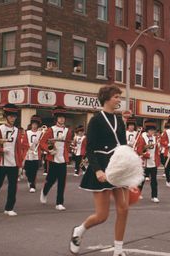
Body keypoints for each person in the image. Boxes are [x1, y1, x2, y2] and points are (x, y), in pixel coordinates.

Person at [70, 85, 128, 256]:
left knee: (124, 209)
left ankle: (118, 250)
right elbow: (90, 149)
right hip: (102, 168)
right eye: (116, 97)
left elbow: (123, 145)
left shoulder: (119, 120)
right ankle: (79, 230)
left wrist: (129, 165)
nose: (119, 100)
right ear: (107, 98)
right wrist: (97, 170)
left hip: (118, 167)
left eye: (119, 97)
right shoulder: (95, 120)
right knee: (102, 216)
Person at [0, 104, 28, 216]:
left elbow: (19, 148)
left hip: (13, 163)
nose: (12, 118)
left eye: (14, 116)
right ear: (6, 116)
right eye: (10, 116)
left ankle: (9, 208)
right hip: (1, 163)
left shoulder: (17, 130)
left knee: (13, 187)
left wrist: (20, 164)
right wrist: (1, 150)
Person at [39, 106, 73, 211]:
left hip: (63, 159)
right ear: (56, 119)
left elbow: (68, 144)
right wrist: (49, 149)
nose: (62, 119)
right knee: (50, 180)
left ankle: (59, 203)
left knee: (62, 182)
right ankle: (44, 191)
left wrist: (69, 152)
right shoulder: (50, 130)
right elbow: (42, 142)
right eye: (59, 117)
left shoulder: (68, 131)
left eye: (63, 117)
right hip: (53, 159)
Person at [137, 119, 160, 203]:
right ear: (147, 130)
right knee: (142, 180)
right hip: (145, 163)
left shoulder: (155, 138)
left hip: (153, 162)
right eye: (150, 130)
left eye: (153, 130)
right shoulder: (142, 138)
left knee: (154, 181)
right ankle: (138, 193)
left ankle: (154, 196)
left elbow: (157, 150)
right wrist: (145, 154)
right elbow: (139, 150)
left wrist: (157, 159)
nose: (152, 132)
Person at [22, 115, 43, 193]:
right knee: (27, 171)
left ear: (38, 125)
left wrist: (39, 143)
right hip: (28, 154)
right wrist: (29, 146)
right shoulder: (27, 132)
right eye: (33, 124)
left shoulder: (40, 133)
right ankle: (30, 180)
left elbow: (43, 143)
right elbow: (23, 143)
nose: (34, 126)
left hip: (36, 154)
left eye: (36, 124)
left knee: (34, 171)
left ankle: (32, 185)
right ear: (31, 125)